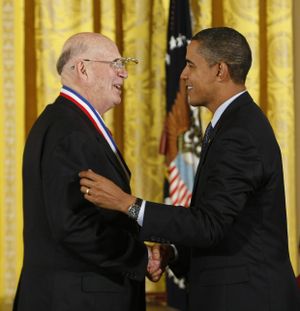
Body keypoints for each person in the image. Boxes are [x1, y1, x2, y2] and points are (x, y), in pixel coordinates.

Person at [79, 27, 300, 311]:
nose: (183, 75)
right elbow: (227, 225)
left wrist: (128, 204)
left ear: (220, 70)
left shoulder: (240, 133)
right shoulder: (233, 123)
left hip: (247, 299)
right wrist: (174, 253)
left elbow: (209, 225)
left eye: (191, 65)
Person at [13, 32, 162, 311]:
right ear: (83, 68)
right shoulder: (69, 130)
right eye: (117, 64)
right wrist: (140, 256)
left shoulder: (67, 122)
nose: (124, 74)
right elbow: (74, 226)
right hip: (77, 298)